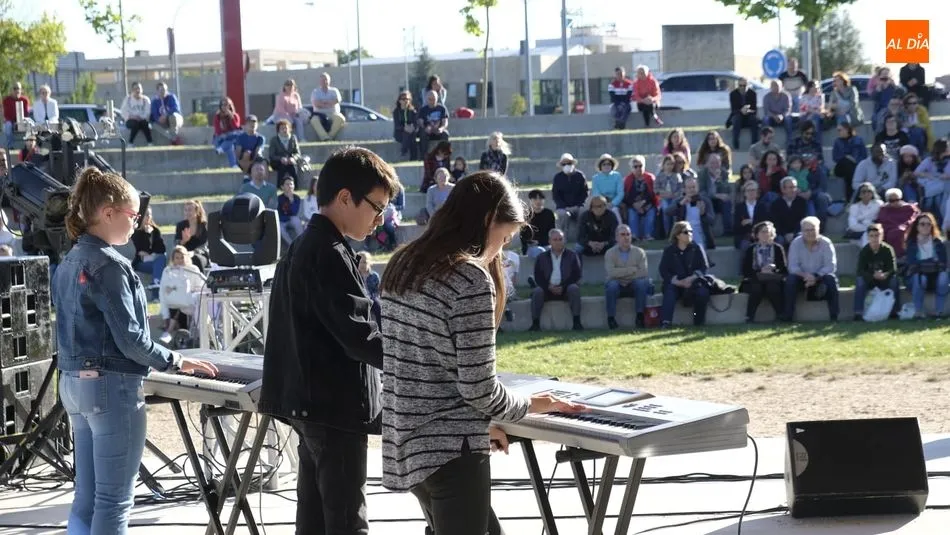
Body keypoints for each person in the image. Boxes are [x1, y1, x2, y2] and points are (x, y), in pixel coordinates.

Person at [379, 170, 585, 535]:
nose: (502, 249)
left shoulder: (403, 263)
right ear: (488, 220)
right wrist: (531, 404)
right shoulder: (470, 280)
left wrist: (480, 424)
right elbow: (478, 388)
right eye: (504, 238)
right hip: (449, 453)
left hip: (407, 443)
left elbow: (426, 365)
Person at [53, 167, 217, 534]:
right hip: (110, 389)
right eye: (132, 215)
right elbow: (131, 340)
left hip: (74, 385)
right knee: (113, 502)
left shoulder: (68, 262)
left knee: (87, 496)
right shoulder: (110, 265)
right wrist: (176, 360)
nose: (138, 222)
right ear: (107, 213)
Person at [260, 147, 400, 535]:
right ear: (344, 198)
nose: (380, 218)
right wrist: (416, 358)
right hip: (333, 408)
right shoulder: (329, 252)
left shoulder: (309, 245)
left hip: (312, 406)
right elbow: (360, 336)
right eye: (377, 206)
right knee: (345, 521)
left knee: (315, 521)